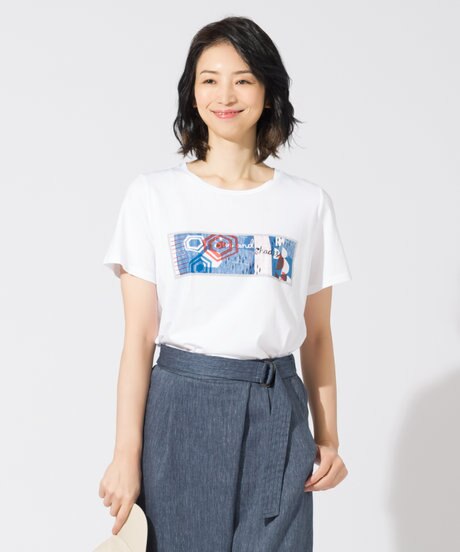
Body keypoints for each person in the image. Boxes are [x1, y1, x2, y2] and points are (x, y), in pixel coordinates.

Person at [98, 15, 352, 552]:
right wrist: (125, 454)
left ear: (268, 91)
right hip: (183, 409)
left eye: (243, 79)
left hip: (277, 411)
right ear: (192, 94)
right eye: (209, 79)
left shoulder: (307, 204)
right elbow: (138, 338)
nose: (225, 95)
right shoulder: (152, 196)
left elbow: (318, 335)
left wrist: (328, 437)